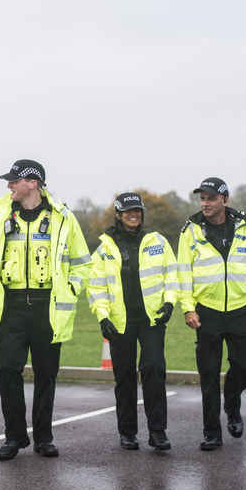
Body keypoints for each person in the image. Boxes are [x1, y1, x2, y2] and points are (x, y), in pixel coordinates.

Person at [0, 159, 91, 461]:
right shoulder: (2, 217)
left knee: (46, 375)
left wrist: (72, 288)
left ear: (33, 183)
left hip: (47, 308)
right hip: (11, 307)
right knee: (6, 370)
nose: (9, 186)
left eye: (14, 180)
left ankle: (44, 437)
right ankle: (14, 436)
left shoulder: (63, 219)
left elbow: (83, 263)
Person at [177, 177, 246, 451]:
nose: (205, 204)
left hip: (239, 310)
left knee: (245, 368)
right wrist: (187, 307)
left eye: (210, 198)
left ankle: (232, 402)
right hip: (206, 312)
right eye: (202, 198)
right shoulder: (191, 231)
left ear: (225, 199)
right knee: (208, 376)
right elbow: (183, 272)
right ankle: (212, 432)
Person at [87, 192, 178, 451]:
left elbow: (172, 274)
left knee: (154, 372)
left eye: (137, 210)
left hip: (151, 320)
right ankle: (127, 433)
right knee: (124, 378)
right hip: (119, 323)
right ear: (118, 214)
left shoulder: (157, 241)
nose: (133, 215)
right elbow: (96, 286)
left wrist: (170, 302)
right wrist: (102, 316)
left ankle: (158, 432)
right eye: (128, 211)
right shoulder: (105, 247)